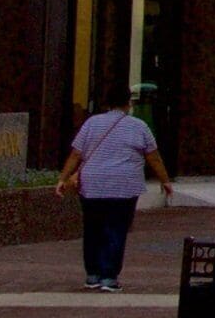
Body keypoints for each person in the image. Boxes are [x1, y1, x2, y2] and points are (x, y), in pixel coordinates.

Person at [56, 85, 175, 292]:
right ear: (128, 103)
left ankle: (92, 274)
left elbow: (76, 154)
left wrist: (62, 178)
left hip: (92, 185)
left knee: (93, 228)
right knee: (116, 229)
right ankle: (109, 276)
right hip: (124, 185)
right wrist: (165, 180)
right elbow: (153, 157)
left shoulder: (91, 123)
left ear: (106, 102)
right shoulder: (139, 126)